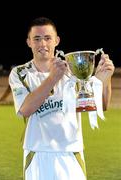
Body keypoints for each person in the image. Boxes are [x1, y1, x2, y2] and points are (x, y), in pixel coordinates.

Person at [9, 17, 115, 180]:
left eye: (47, 38)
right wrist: (52, 78)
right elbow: (25, 109)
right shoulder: (20, 73)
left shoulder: (73, 70)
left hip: (71, 152)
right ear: (29, 42)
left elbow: (101, 104)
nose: (42, 44)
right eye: (37, 39)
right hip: (37, 152)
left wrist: (105, 80)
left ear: (56, 40)